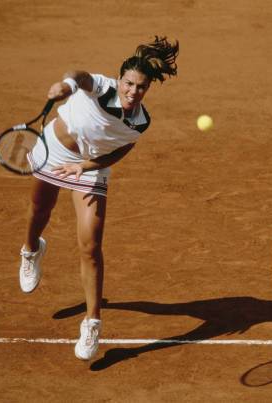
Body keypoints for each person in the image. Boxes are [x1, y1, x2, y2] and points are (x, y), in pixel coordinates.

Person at [18, 36, 179, 361]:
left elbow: (120, 150)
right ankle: (31, 249)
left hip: (89, 166)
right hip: (54, 149)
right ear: (119, 80)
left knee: (91, 247)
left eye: (141, 87)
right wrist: (65, 85)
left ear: (148, 89)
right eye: (129, 83)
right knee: (40, 210)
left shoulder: (141, 122)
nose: (134, 91)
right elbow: (80, 77)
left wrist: (87, 165)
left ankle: (92, 323)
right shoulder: (103, 88)